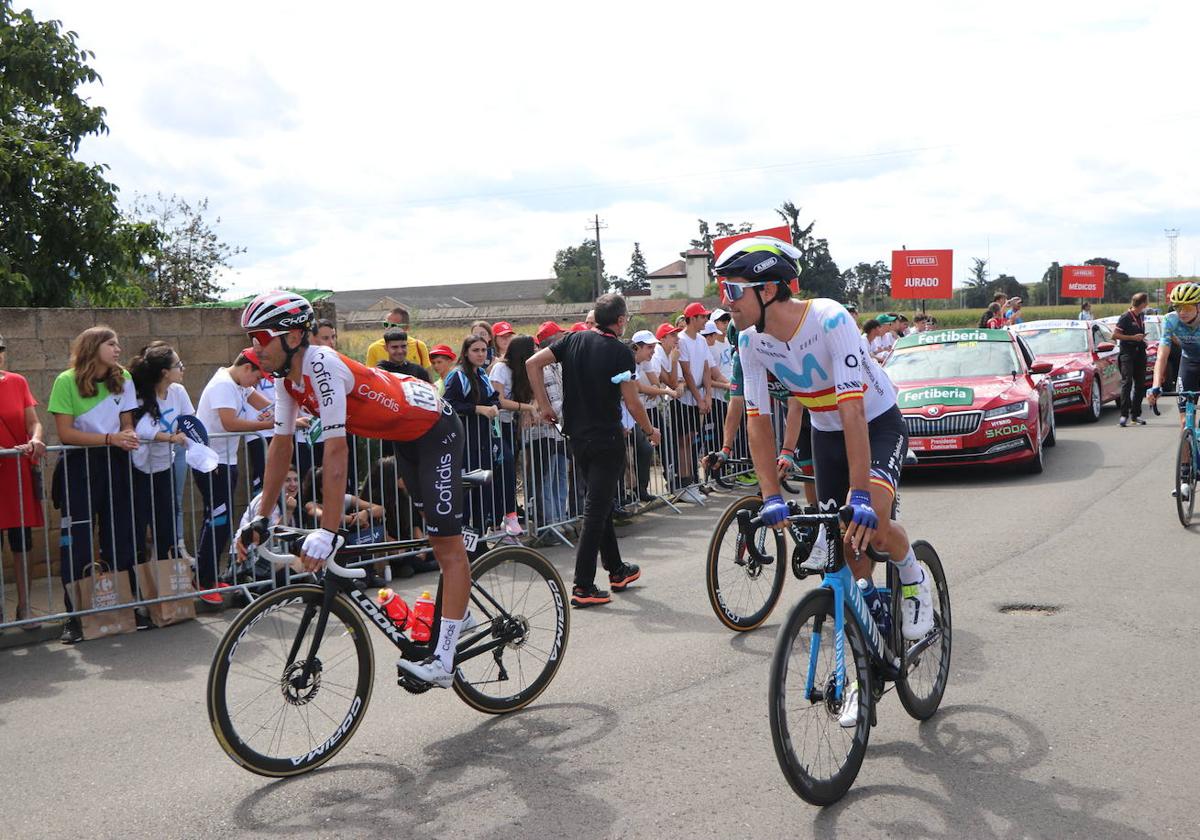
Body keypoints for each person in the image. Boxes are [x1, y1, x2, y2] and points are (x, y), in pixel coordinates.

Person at [714, 237, 933, 696]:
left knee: (869, 521)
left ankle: (912, 574)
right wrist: (772, 496)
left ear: (768, 290)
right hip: (827, 431)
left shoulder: (831, 317)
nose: (725, 303)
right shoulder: (750, 342)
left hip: (875, 422)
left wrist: (859, 495)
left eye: (733, 291)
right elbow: (758, 421)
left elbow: (852, 409)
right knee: (846, 547)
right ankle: (870, 624)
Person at [237, 290, 472, 689]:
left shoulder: (321, 364)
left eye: (260, 338)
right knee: (433, 536)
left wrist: (329, 532)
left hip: (437, 431)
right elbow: (280, 446)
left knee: (446, 544)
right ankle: (459, 612)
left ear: (292, 337)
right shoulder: (286, 380)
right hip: (406, 438)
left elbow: (336, 450)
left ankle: (444, 660)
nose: (252, 349)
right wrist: (262, 514)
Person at [527, 293, 660, 608]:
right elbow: (631, 400)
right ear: (620, 320)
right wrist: (650, 430)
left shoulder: (573, 340)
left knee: (599, 505)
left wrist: (545, 406)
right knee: (595, 510)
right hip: (606, 438)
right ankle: (583, 585)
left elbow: (532, 363)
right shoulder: (619, 352)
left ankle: (616, 570)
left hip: (578, 437)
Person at [48, 326, 140, 643]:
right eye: (111, 343)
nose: (118, 348)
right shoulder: (65, 381)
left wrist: (126, 435)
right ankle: (74, 617)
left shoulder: (123, 377)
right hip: (79, 465)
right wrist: (109, 438)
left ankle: (125, 608)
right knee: (78, 541)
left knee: (120, 536)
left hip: (115, 461)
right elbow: (66, 434)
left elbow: (127, 423)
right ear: (93, 346)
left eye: (118, 342)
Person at [193, 348, 274, 603]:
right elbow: (230, 423)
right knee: (216, 520)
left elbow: (266, 404)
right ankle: (203, 579)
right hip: (210, 463)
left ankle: (210, 575)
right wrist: (270, 424)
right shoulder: (223, 385)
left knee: (223, 521)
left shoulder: (240, 383)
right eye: (257, 377)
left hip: (226, 461)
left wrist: (289, 415)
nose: (257, 384)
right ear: (246, 368)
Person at [128, 343, 193, 567]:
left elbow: (189, 421)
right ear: (164, 372)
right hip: (139, 468)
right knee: (137, 526)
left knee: (165, 524)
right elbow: (143, 430)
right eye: (178, 364)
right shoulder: (140, 395)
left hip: (164, 466)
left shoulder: (178, 391)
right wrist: (171, 438)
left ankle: (167, 578)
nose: (183, 368)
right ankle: (137, 582)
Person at [0, 333, 47, 626]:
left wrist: (36, 440)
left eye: (1, 348)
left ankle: (25, 607)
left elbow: (34, 422)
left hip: (16, 472)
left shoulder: (17, 382)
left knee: (22, 543)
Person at [442, 335, 501, 537]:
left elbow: (494, 398)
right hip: (464, 442)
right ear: (466, 352)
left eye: (484, 350)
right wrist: (478, 409)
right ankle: (465, 540)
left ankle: (480, 537)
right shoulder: (457, 376)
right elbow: (448, 404)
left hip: (483, 440)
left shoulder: (483, 374)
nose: (480, 354)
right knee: (466, 491)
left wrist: (494, 406)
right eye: (476, 350)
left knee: (482, 489)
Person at [490, 335, 539, 537]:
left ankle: (508, 517)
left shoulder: (525, 371)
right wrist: (526, 408)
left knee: (510, 469)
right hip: (495, 426)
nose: (537, 353)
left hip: (511, 425)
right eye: (533, 350)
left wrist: (529, 410)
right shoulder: (501, 368)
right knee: (506, 466)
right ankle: (500, 518)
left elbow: (536, 394)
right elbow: (499, 400)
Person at [524, 331, 570, 532]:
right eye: (559, 337)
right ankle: (550, 522)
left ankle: (560, 517)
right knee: (546, 478)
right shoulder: (540, 366)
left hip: (560, 429)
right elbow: (549, 398)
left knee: (560, 475)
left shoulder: (557, 364)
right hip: (544, 431)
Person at [675, 302, 713, 502]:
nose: (705, 320)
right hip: (685, 399)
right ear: (692, 319)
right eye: (702, 317)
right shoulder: (681, 340)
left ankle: (691, 482)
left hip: (696, 396)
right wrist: (699, 398)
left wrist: (707, 395)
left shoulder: (701, 340)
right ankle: (684, 484)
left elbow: (706, 368)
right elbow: (687, 371)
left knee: (691, 440)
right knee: (684, 441)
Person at [1114, 292, 1150, 427]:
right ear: (1142, 303)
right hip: (1127, 353)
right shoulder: (1125, 317)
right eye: (1146, 301)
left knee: (1140, 384)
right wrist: (1133, 338)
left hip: (1140, 352)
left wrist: (1142, 339)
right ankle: (1124, 415)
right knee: (1127, 382)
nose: (1147, 304)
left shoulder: (1141, 315)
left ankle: (1136, 415)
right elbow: (1115, 335)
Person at [365, 306, 431, 370]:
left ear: (406, 328)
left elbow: (428, 377)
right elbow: (370, 377)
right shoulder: (374, 348)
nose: (388, 329)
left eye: (393, 326)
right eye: (386, 325)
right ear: (386, 348)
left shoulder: (419, 346)